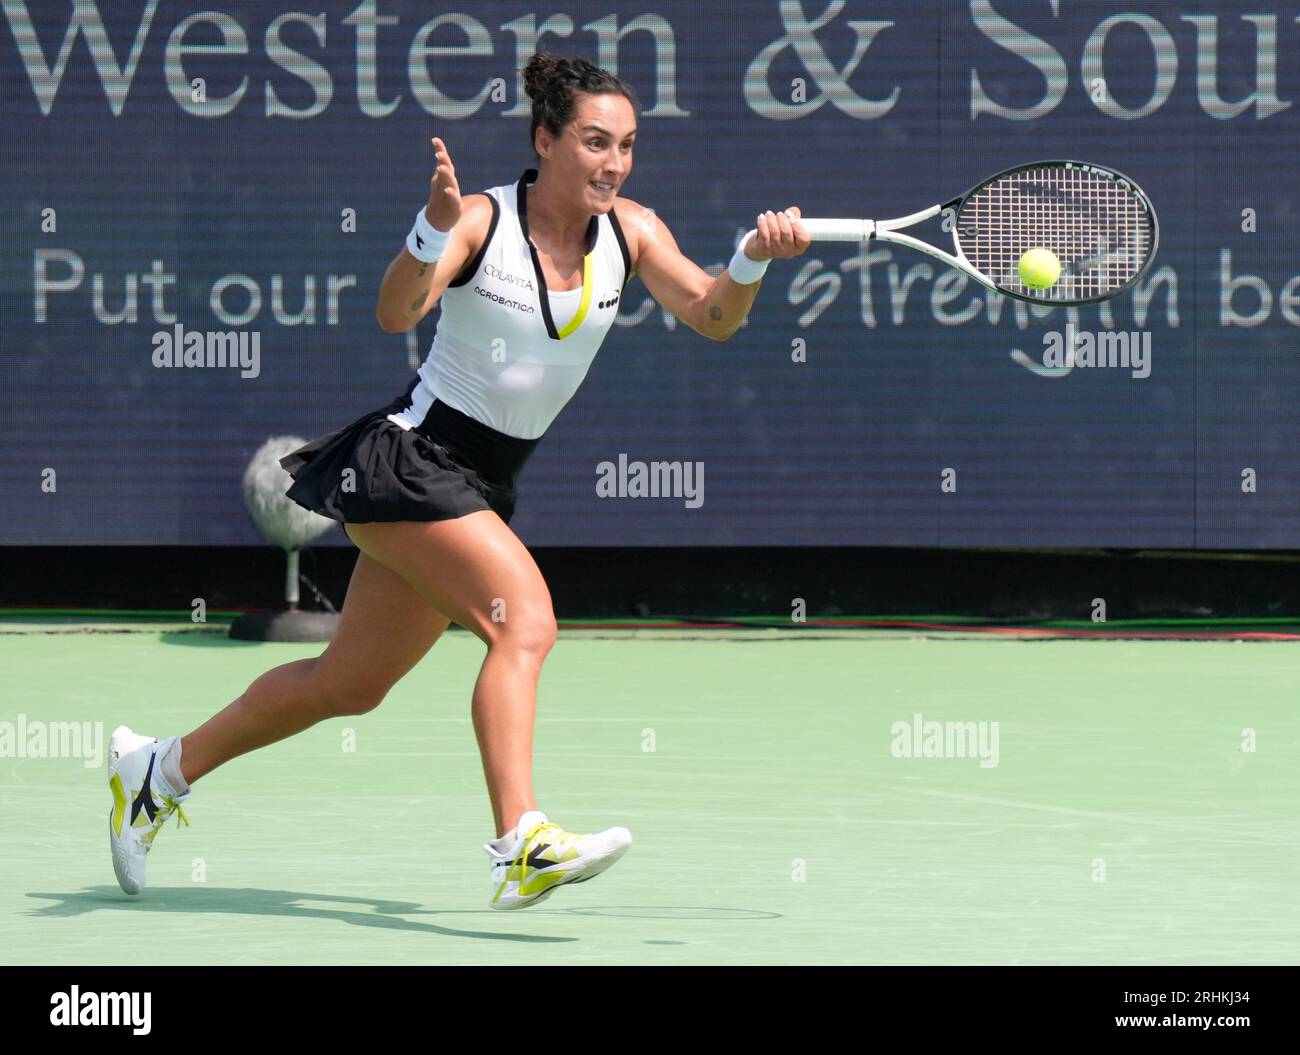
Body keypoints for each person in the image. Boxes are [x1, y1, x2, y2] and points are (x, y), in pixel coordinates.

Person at [107, 51, 810, 911]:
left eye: (626, 145)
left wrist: (751, 259)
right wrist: (430, 230)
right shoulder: (482, 220)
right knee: (527, 623)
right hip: (410, 461)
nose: (614, 162)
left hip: (478, 486)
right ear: (545, 140)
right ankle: (520, 840)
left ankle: (157, 768)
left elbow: (711, 314)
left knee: (347, 684)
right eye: (595, 141)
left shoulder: (635, 231)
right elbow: (395, 312)